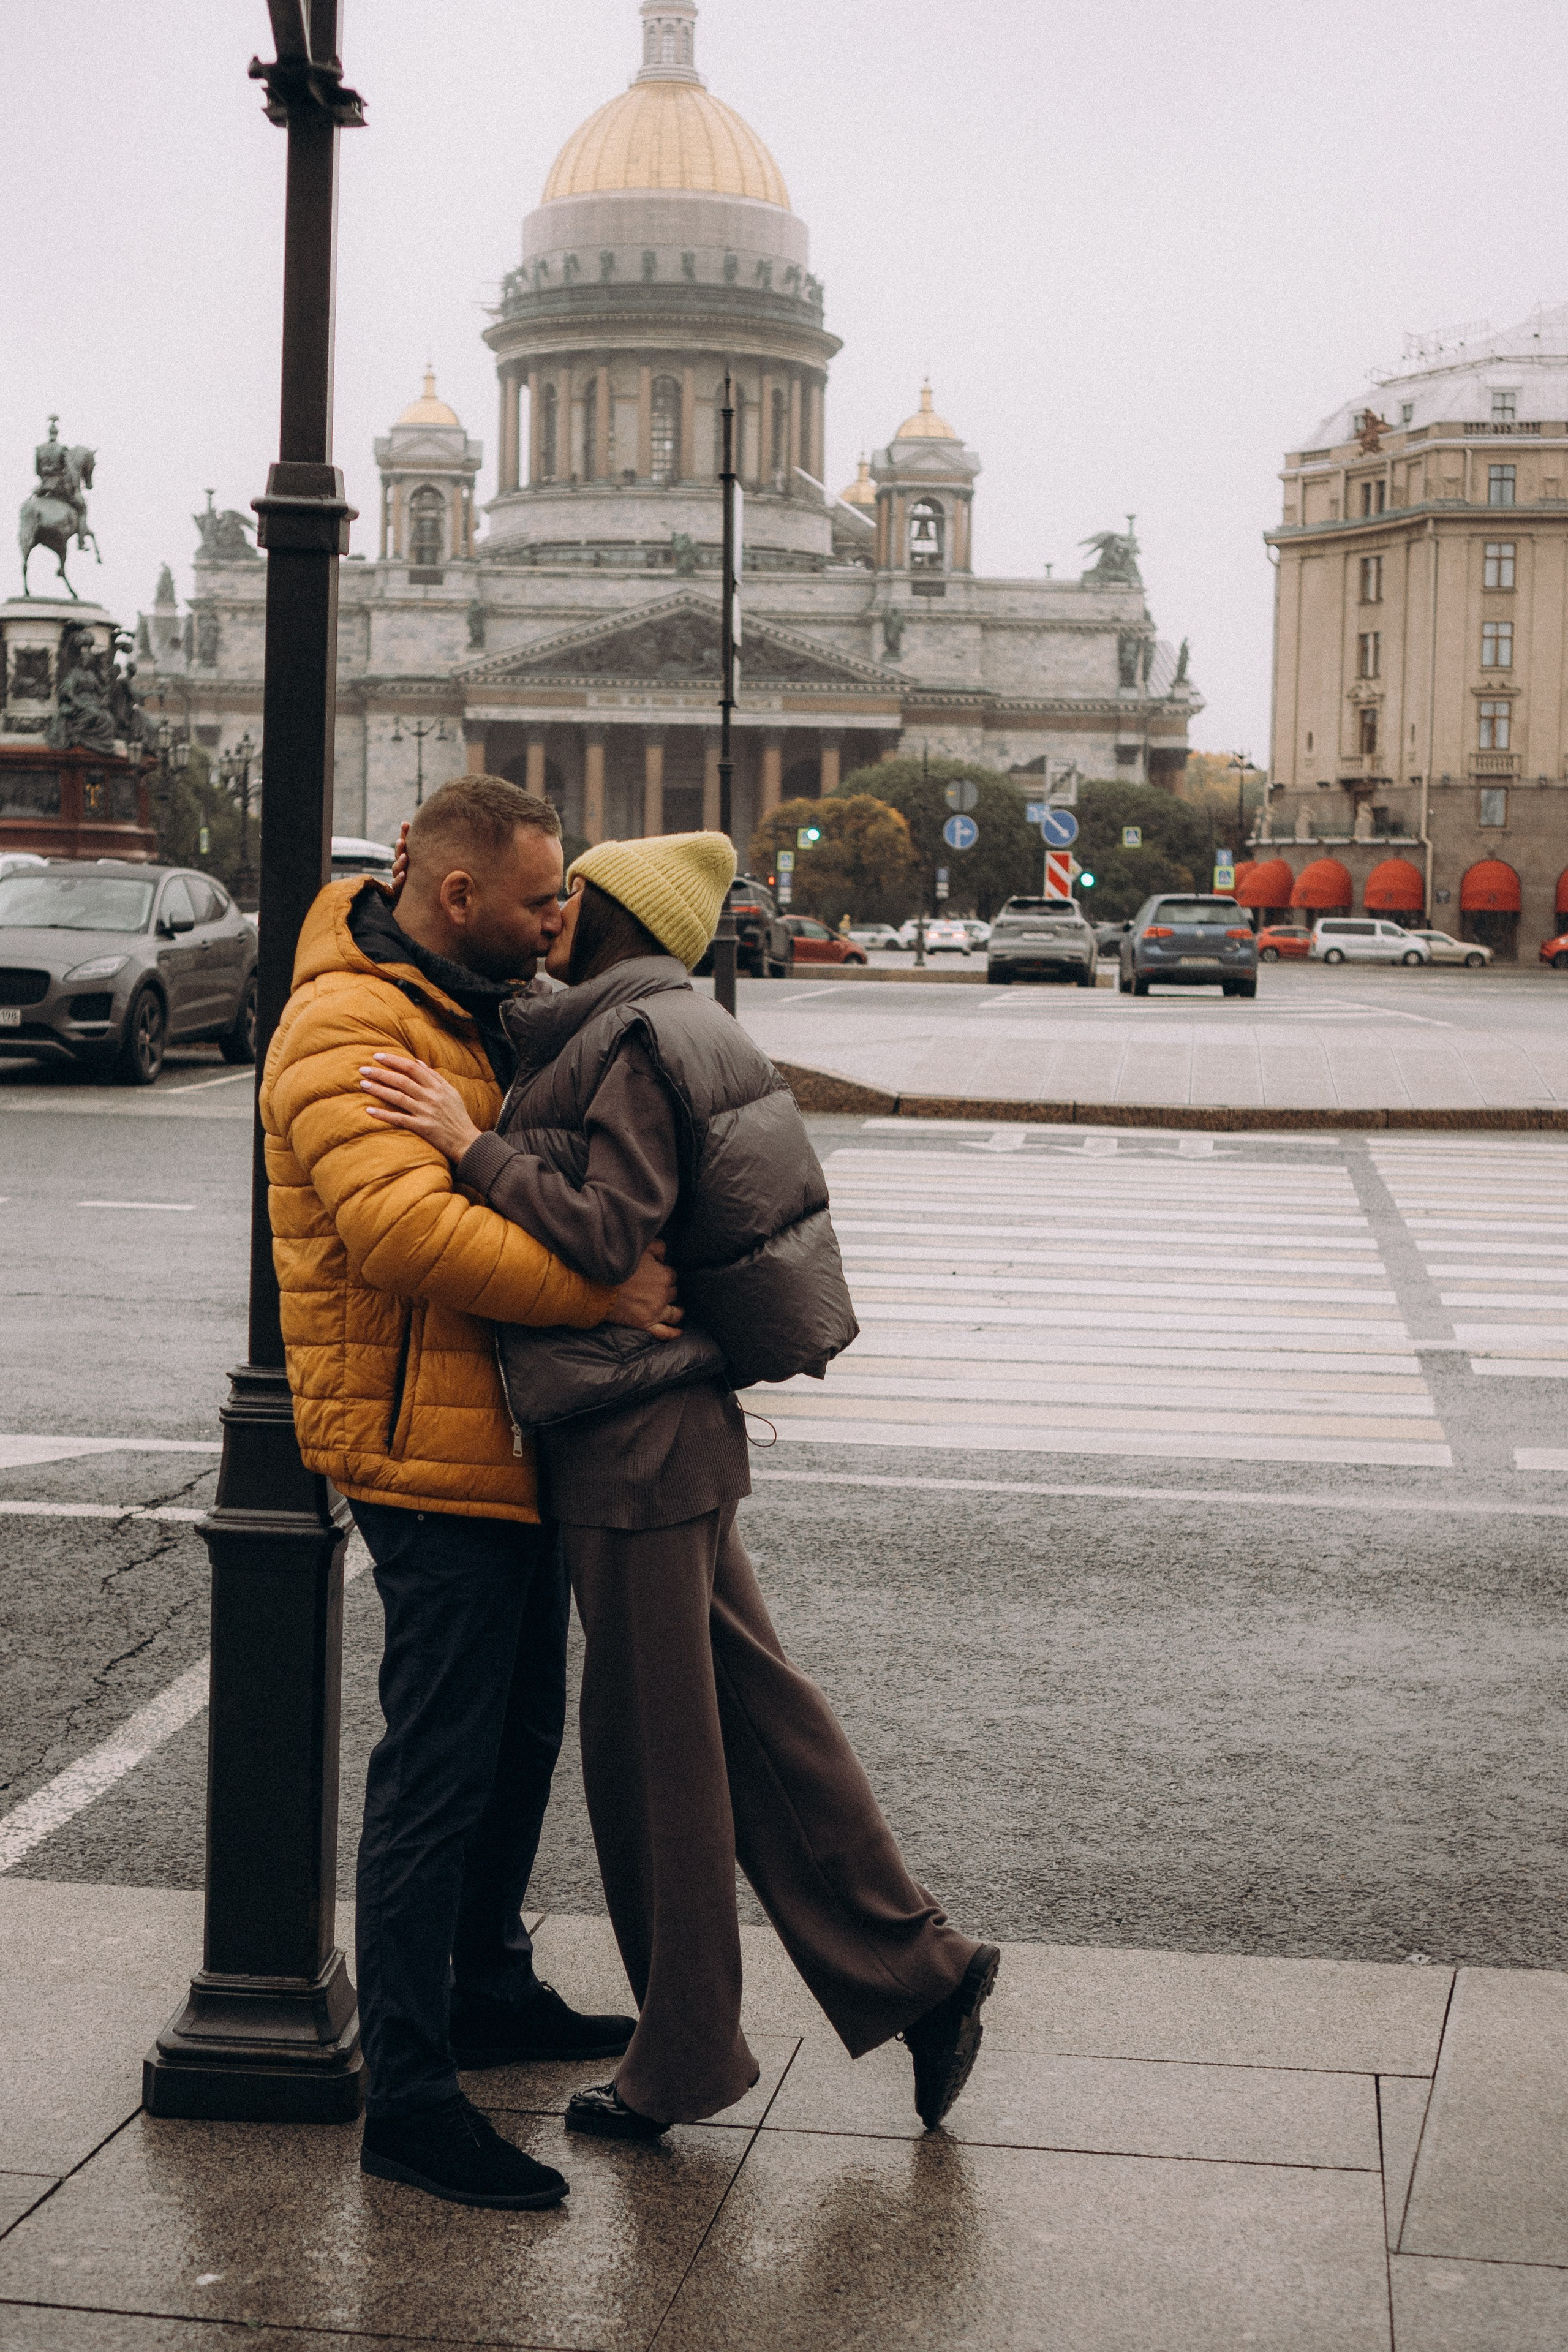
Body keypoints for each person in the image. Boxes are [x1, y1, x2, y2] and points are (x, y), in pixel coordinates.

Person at [359, 830, 1000, 2140]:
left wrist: (462, 1144)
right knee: (758, 1726)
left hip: (632, 1439)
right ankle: (920, 1972)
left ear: (613, 913)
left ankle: (685, 2057)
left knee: (655, 1764)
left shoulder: (637, 1042)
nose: (549, 912)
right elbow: (573, 1092)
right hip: (663, 1434)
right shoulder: (658, 1019)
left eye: (567, 893)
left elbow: (604, 1231)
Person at [260, 776, 684, 2213]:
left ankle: (487, 1985)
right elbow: (403, 1235)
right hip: (421, 1444)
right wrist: (604, 1287)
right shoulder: (346, 1023)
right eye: (539, 899)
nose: (559, 919)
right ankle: (414, 2099)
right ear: (455, 898)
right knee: (435, 1772)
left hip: (495, 1435)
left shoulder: (461, 1001)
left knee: (514, 1735)